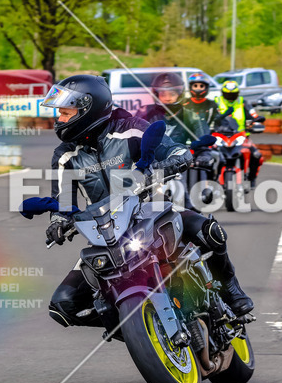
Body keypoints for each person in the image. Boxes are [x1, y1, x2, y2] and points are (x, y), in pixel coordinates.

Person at [40, 74, 254, 328]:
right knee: (64, 305)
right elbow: (63, 200)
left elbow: (174, 150)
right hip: (108, 231)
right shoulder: (65, 156)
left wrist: (173, 161)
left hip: (154, 211)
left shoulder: (130, 128)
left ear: (88, 109)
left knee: (208, 231)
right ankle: (137, 327)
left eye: (66, 113)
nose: (60, 119)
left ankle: (231, 290)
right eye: (60, 113)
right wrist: (58, 221)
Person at [214, 79, 263, 187]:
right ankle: (209, 178)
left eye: (233, 94)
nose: (230, 97)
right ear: (222, 93)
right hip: (219, 135)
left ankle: (251, 178)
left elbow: (253, 115)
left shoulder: (243, 102)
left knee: (256, 155)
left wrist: (256, 121)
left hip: (240, 136)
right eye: (228, 94)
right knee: (205, 154)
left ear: (238, 93)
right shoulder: (216, 102)